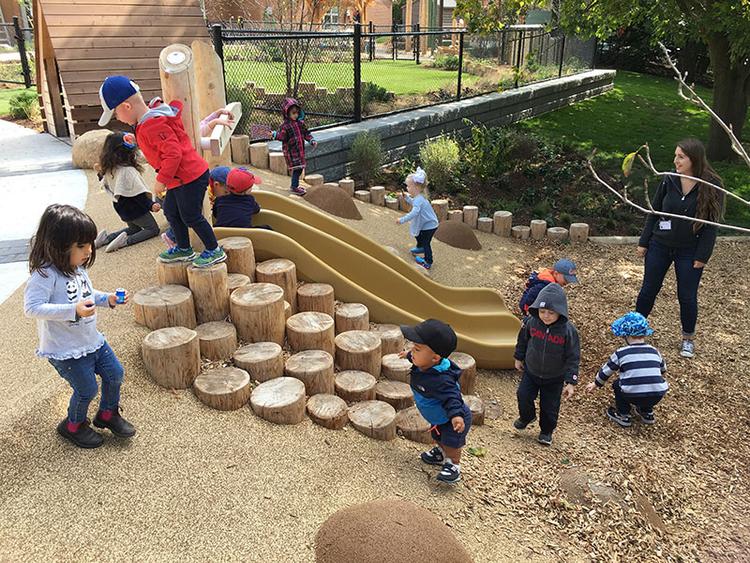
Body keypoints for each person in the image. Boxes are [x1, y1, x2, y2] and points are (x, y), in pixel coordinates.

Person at [24, 204, 136, 449]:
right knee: (86, 390)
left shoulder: (77, 268)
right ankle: (73, 424)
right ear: (57, 245)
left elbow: (86, 294)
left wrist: (107, 299)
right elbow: (32, 307)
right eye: (81, 246)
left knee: (115, 374)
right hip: (65, 349)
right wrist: (71, 310)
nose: (88, 251)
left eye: (89, 244)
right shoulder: (44, 275)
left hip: (92, 340)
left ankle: (107, 414)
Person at [97, 75, 227, 268]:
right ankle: (184, 248)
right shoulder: (146, 122)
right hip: (180, 179)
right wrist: (138, 140)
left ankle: (214, 249)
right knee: (172, 212)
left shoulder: (152, 124)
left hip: (189, 177)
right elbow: (158, 142)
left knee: (191, 216)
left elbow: (173, 154)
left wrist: (161, 179)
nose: (117, 119)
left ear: (126, 106)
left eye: (115, 114)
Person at [636, 138, 725, 359]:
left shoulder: (712, 185)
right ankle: (636, 328)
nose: (676, 160)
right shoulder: (669, 179)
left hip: (689, 250)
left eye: (681, 157)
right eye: (676, 155)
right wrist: (644, 241)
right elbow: (654, 211)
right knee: (648, 289)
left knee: (686, 295)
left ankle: (688, 338)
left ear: (694, 159)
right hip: (660, 244)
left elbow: (711, 226)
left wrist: (702, 255)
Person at [399, 319, 472, 484]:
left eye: (417, 349)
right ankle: (440, 452)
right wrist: (408, 355)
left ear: (435, 358)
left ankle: (453, 465)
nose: (413, 352)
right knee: (438, 437)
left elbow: (453, 397)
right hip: (437, 419)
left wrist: (456, 416)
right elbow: (416, 357)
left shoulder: (442, 380)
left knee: (452, 444)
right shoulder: (424, 362)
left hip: (451, 419)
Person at [513, 283, 580, 446]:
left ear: (560, 312)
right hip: (532, 370)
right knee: (523, 395)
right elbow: (523, 340)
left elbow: (573, 356)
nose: (546, 316)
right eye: (542, 311)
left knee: (550, 406)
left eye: (551, 313)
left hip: (554, 376)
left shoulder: (567, 330)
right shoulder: (532, 322)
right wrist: (518, 357)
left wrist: (571, 381)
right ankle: (527, 416)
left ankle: (546, 430)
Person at [586, 312, 669, 427]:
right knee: (648, 384)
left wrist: (596, 384)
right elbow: (663, 369)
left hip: (632, 395)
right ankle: (647, 412)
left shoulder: (621, 353)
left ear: (626, 336)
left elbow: (606, 371)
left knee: (617, 384)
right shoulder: (654, 350)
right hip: (657, 394)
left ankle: (623, 414)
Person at [94, 131, 160, 253]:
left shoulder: (110, 168)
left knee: (134, 229)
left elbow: (105, 184)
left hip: (121, 207)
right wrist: (150, 205)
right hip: (134, 207)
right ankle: (125, 241)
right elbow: (137, 195)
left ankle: (106, 238)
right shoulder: (128, 171)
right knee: (152, 229)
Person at [395, 167, 439, 270]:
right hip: (428, 224)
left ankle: (428, 261)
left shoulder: (419, 199)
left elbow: (414, 212)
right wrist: (407, 198)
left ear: (416, 187)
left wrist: (402, 220)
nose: (407, 188)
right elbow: (414, 203)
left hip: (430, 226)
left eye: (409, 186)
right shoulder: (419, 197)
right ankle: (421, 247)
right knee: (418, 233)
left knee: (426, 242)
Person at [271, 98, 317, 196]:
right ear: (287, 113)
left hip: (299, 151)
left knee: (299, 168)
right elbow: (282, 136)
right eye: (293, 113)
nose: (296, 115)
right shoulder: (285, 126)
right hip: (291, 152)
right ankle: (294, 186)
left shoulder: (300, 123)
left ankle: (294, 186)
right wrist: (274, 134)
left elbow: (306, 133)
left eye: (297, 112)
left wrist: (311, 140)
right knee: (297, 169)